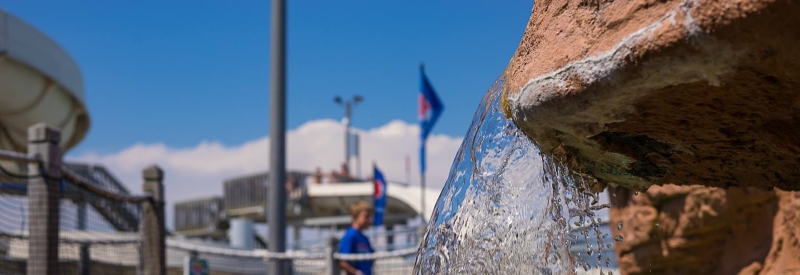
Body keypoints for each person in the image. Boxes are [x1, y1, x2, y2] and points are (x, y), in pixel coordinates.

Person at [338, 201, 375, 275]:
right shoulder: (350, 235)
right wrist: (357, 272)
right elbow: (342, 262)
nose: (369, 220)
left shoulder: (365, 239)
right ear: (355, 216)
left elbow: (373, 257)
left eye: (370, 217)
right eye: (366, 216)